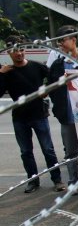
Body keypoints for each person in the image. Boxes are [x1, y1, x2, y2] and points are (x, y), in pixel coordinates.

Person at [0, 35, 65, 193]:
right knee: (26, 152)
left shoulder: (37, 66)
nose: (19, 53)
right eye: (15, 51)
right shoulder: (7, 72)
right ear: (9, 53)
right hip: (19, 118)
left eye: (21, 50)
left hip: (39, 115)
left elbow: (53, 78)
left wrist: (46, 91)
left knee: (48, 149)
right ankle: (32, 181)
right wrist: (1, 74)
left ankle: (57, 180)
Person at [47, 25, 78, 189]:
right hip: (67, 116)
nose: (60, 44)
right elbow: (51, 89)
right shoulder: (57, 65)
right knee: (70, 152)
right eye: (58, 41)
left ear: (73, 40)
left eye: (62, 40)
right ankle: (73, 181)